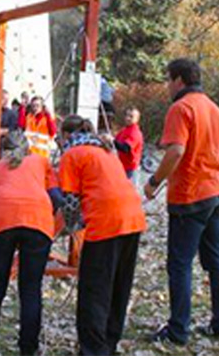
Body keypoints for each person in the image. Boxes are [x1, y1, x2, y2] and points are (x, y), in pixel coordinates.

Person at [144, 58, 219, 345]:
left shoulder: (181, 108)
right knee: (215, 260)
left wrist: (154, 181)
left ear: (179, 80)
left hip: (190, 196)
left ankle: (178, 330)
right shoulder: (215, 109)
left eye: (168, 79)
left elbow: (176, 151)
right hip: (216, 192)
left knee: (179, 264)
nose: (167, 86)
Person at [53, 115, 147, 356]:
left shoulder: (72, 154)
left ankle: (93, 349)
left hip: (105, 223)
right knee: (118, 285)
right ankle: (109, 342)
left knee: (94, 289)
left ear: (66, 135)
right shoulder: (105, 150)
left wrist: (70, 227)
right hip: (133, 219)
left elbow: (70, 201)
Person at [0, 132, 59, 356]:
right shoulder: (42, 162)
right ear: (28, 148)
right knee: (31, 289)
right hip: (37, 221)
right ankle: (28, 347)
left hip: (0, 220)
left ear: (3, 149)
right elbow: (55, 195)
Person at [110, 107, 144, 184]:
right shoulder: (125, 130)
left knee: (129, 189)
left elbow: (125, 148)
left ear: (137, 119)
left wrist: (111, 140)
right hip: (122, 166)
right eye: (127, 115)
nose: (128, 118)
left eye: (131, 116)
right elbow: (115, 142)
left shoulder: (134, 132)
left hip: (131, 169)